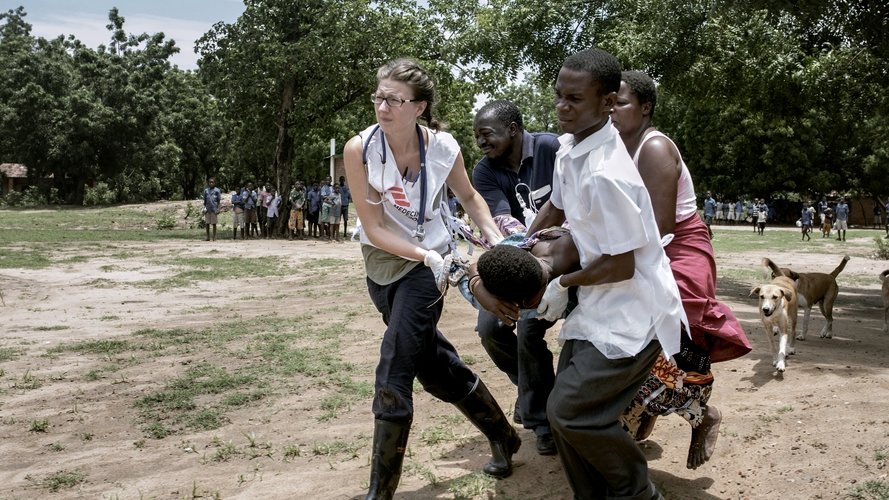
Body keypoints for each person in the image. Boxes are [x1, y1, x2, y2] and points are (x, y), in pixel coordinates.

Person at [343, 58, 517, 499]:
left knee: (395, 364)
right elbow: (376, 227)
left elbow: (471, 197)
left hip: (428, 269)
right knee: (433, 366)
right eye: (378, 96)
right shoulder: (359, 149)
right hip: (383, 265)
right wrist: (421, 253)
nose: (383, 107)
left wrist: (494, 240)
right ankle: (504, 434)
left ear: (418, 107)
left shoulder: (442, 147)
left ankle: (380, 494)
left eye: (394, 100)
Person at [521, 47, 685, 500]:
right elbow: (560, 208)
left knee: (572, 412)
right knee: (563, 415)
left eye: (574, 99)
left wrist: (561, 283)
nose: (561, 106)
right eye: (558, 96)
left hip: (634, 312)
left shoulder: (607, 173)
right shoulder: (571, 149)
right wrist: (520, 246)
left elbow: (622, 262)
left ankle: (637, 492)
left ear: (608, 102)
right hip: (600, 303)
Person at [611, 69, 750, 469]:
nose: (612, 111)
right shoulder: (611, 148)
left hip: (679, 250)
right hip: (642, 248)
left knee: (674, 337)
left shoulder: (653, 148)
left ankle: (701, 415)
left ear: (645, 107)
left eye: (620, 103)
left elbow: (661, 227)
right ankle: (644, 411)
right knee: (626, 337)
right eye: (608, 104)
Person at [470, 99, 561, 455]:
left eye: (486, 134)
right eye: (477, 137)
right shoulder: (485, 171)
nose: (481, 143)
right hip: (516, 256)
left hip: (564, 257)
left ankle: (542, 422)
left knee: (528, 329)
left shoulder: (552, 148)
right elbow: (501, 225)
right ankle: (534, 396)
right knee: (490, 328)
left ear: (513, 128)